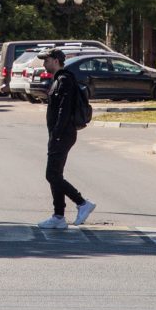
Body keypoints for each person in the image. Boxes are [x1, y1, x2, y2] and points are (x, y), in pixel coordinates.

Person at [36, 48, 96, 230]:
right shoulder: (59, 80)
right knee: (55, 175)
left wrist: (57, 133)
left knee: (51, 174)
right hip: (59, 134)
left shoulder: (64, 80)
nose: (43, 64)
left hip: (63, 134)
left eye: (46, 60)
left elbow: (64, 110)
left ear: (56, 60)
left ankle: (82, 203)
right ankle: (58, 216)